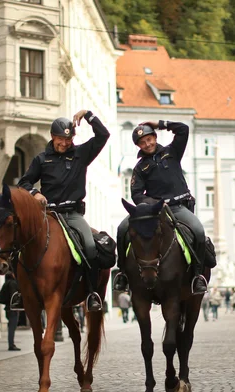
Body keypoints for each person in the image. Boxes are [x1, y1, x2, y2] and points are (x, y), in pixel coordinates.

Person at [18, 110, 110, 312]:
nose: (65, 143)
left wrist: (88, 115)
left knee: (90, 246)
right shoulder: (41, 160)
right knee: (21, 245)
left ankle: (93, 293)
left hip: (73, 215)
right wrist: (34, 193)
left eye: (69, 139)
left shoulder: (81, 154)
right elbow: (23, 182)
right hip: (48, 215)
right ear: (53, 137)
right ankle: (20, 291)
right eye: (61, 138)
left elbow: (103, 135)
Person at [113, 120, 208, 295]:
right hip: (155, 211)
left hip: (179, 207)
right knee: (122, 229)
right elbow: (136, 194)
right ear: (138, 146)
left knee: (198, 231)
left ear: (155, 138)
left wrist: (160, 124)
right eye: (142, 142)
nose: (147, 144)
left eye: (149, 139)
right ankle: (123, 273)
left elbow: (183, 129)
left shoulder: (172, 152)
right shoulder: (140, 168)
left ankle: (197, 275)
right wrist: (154, 203)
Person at [0, 273, 21, 351]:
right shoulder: (13, 283)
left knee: (11, 326)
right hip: (12, 308)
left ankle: (11, 344)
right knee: (12, 327)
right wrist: (17, 304)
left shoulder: (6, 283)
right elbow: (14, 295)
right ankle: (11, 345)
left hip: (7, 308)